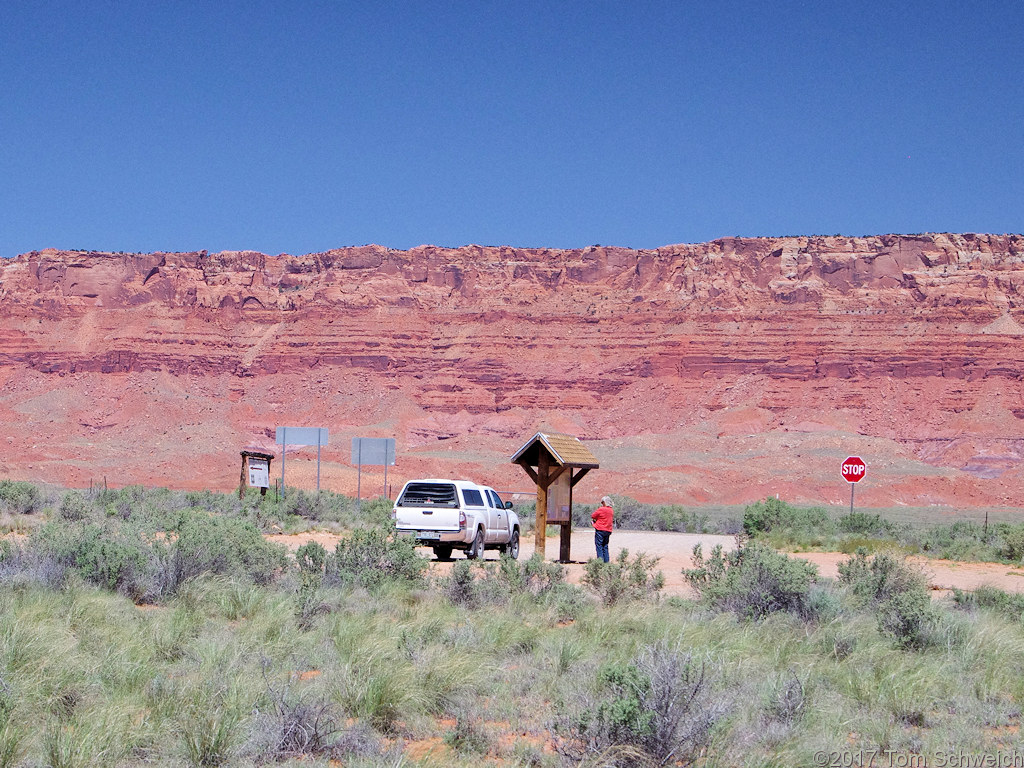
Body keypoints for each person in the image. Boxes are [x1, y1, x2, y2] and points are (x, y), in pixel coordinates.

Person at [591, 495, 614, 563]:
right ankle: (606, 562)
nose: (601, 503)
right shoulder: (611, 510)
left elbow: (593, 516)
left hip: (600, 530)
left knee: (599, 546)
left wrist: (594, 522)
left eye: (602, 502)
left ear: (604, 502)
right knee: (605, 546)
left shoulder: (601, 509)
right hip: (608, 530)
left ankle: (600, 562)